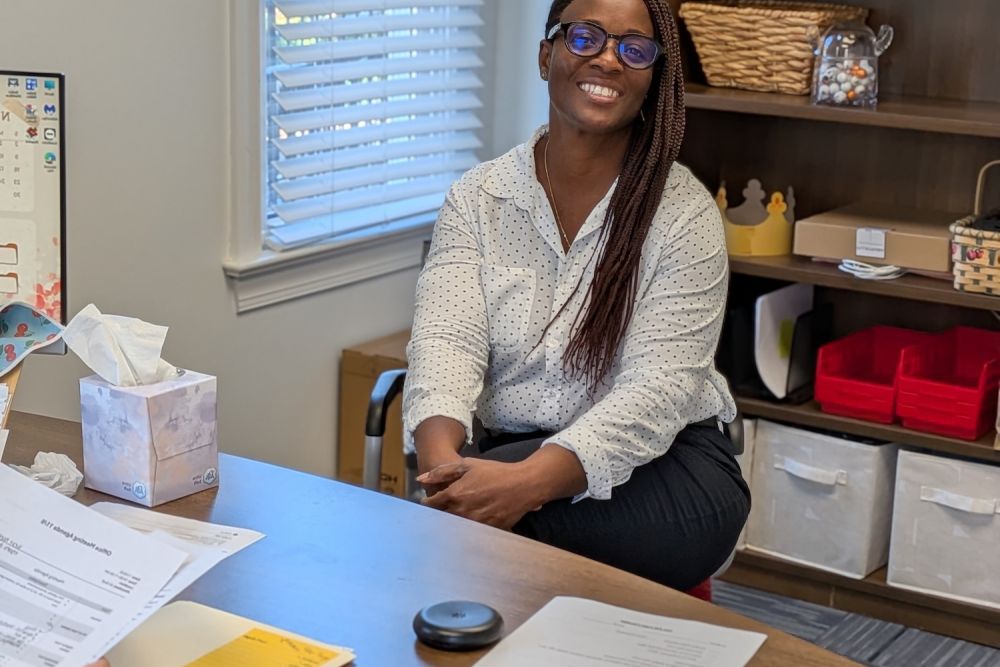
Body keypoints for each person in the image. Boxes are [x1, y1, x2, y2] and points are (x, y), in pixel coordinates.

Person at [402, 0, 749, 591]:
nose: (609, 59)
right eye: (586, 37)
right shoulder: (479, 198)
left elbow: (658, 393)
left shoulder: (682, 214)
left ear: (651, 79)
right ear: (546, 55)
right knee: (458, 529)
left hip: (669, 470)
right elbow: (445, 343)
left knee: (447, 544)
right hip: (511, 449)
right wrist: (442, 471)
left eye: (635, 49)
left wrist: (523, 486)